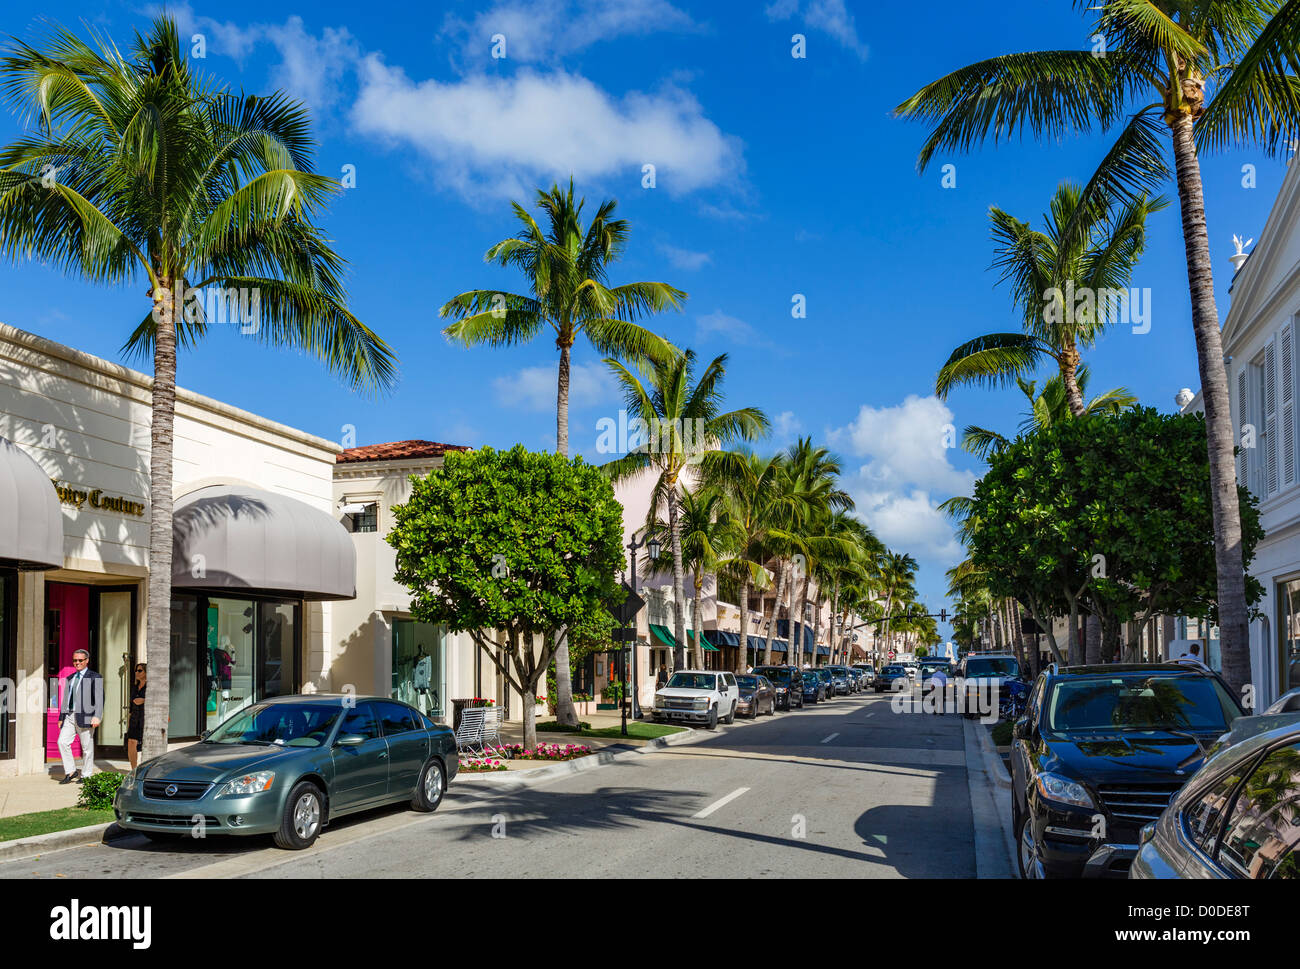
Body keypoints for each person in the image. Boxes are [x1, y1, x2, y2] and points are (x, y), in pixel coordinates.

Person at [57, 649, 102, 784]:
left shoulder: (95, 677)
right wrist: (61, 717)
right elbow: (66, 699)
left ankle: (86, 775)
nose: (77, 663)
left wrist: (97, 716)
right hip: (70, 716)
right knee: (62, 742)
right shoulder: (70, 678)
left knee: (86, 748)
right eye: (75, 660)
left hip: (86, 716)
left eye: (80, 660)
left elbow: (99, 698)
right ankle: (71, 771)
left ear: (87, 661)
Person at [126, 662, 146, 769]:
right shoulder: (135, 687)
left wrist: (144, 700)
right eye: (136, 671)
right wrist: (129, 720)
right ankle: (133, 769)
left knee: (145, 744)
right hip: (134, 718)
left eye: (139, 670)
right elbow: (131, 704)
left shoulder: (150, 687)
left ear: (146, 672)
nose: (137, 673)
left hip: (145, 719)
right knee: (131, 742)